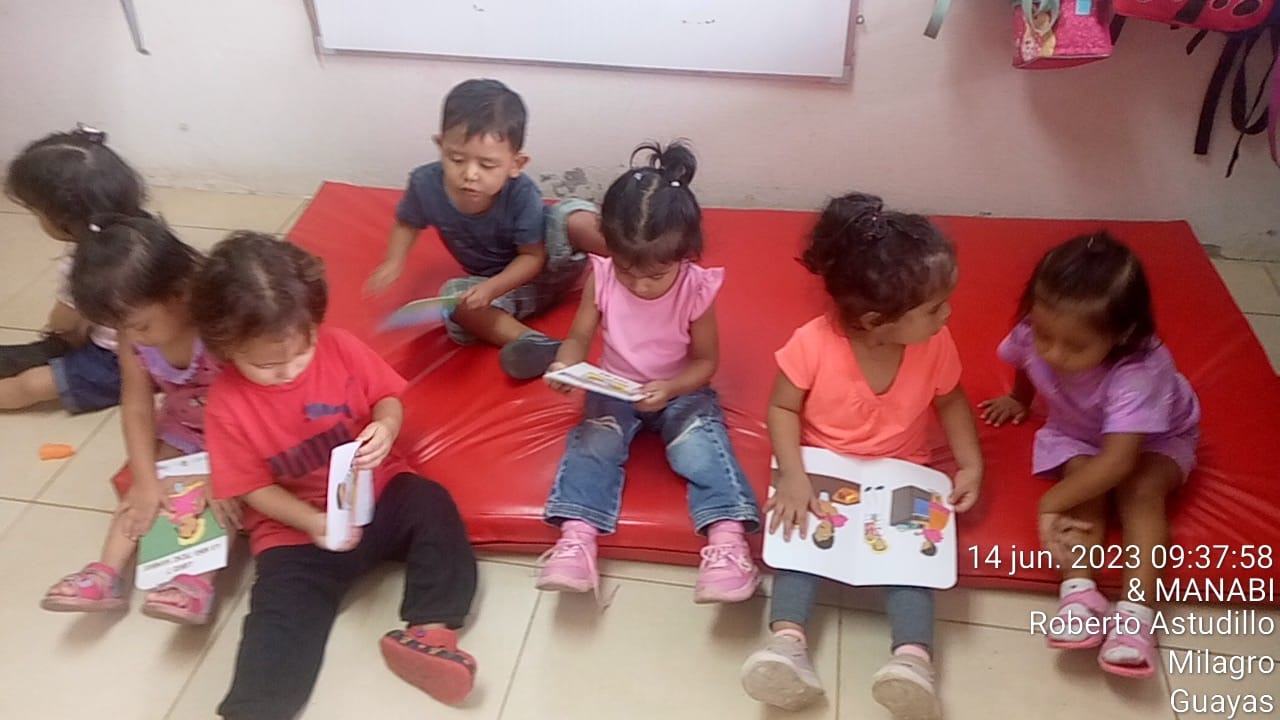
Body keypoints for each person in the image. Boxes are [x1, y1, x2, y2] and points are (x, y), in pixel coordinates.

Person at [196, 233, 479, 718]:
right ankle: (256, 708)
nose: (288, 371)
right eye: (266, 364)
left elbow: (386, 398)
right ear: (225, 349)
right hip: (297, 533)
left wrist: (386, 427)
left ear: (313, 325)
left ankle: (430, 632)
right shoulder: (227, 406)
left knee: (433, 505)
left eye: (299, 353)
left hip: (378, 493)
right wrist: (311, 522)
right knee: (279, 616)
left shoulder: (340, 348)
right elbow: (252, 488)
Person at [740, 193, 983, 719]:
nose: (947, 314)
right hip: (824, 468)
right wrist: (794, 476)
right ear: (875, 320)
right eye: (934, 308)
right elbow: (782, 407)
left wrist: (970, 463)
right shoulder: (813, 344)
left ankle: (912, 660)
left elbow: (951, 399)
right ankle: (787, 644)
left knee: (913, 564)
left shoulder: (935, 343)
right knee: (797, 547)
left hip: (904, 473)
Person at [535, 141, 762, 605]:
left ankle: (727, 542)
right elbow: (578, 338)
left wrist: (671, 387)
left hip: (680, 390)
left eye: (655, 276)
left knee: (700, 446)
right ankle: (577, 538)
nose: (639, 284)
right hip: (614, 387)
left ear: (684, 254)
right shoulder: (601, 276)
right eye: (627, 270)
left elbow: (706, 363)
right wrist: (566, 365)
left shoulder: (695, 288)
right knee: (594, 444)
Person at [979, 232, 1199, 679]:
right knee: (1082, 480)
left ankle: (1136, 615)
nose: (1053, 353)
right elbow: (1025, 361)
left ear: (1123, 334)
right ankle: (1080, 594)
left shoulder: (1140, 371)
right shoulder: (1036, 330)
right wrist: (1020, 399)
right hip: (1079, 431)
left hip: (1156, 439)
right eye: (1045, 335)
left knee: (1140, 490)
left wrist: (1050, 503)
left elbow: (1119, 462)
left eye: (1075, 346)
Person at [40, 215, 233, 624]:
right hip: (183, 428)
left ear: (181, 292)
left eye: (141, 325)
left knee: (218, 498)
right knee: (143, 495)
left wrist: (227, 472)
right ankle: (105, 574)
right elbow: (137, 405)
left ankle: (196, 583)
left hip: (240, 436)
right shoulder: (134, 337)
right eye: (122, 328)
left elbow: (256, 404)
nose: (132, 336)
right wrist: (145, 480)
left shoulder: (220, 328)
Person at [365, 78, 607, 379]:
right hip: (503, 291)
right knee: (455, 300)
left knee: (569, 217)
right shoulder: (425, 183)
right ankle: (537, 345)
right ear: (440, 146)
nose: (470, 174)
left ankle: (637, 255)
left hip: (552, 265)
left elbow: (533, 257)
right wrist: (394, 261)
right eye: (456, 159)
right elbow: (407, 222)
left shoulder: (522, 193)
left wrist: (493, 288)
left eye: (487, 165)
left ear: (516, 164)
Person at [1, 125, 147, 412]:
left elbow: (64, 324)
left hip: (118, 361)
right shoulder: (151, 235)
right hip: (158, 345)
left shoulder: (84, 264)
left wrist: (57, 334)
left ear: (62, 219)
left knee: (29, 385)